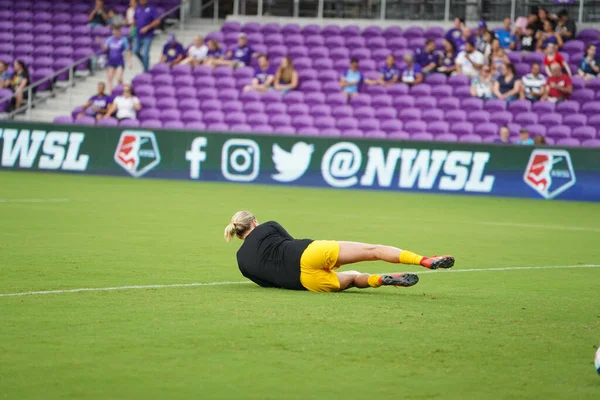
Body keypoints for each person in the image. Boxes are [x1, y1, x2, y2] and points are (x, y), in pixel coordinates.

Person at [224, 211, 455, 293]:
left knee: (353, 278)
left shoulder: (241, 261)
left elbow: (267, 283)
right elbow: (289, 241)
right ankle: (424, 260)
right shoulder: (267, 226)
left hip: (303, 281)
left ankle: (381, 280)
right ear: (254, 221)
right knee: (372, 250)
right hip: (305, 253)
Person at [98, 26, 132, 92]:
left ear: (119, 32)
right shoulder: (110, 39)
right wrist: (101, 44)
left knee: (119, 78)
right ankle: (111, 92)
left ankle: (122, 89)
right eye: (114, 31)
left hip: (119, 62)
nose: (115, 33)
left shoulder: (123, 40)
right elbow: (105, 48)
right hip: (111, 62)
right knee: (110, 77)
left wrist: (129, 62)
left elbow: (127, 51)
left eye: (116, 31)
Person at [133, 0, 160, 72]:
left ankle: (145, 70)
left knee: (145, 53)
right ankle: (146, 64)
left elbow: (157, 21)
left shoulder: (151, 9)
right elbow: (135, 20)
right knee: (135, 50)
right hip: (138, 35)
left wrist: (147, 27)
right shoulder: (137, 8)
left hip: (148, 35)